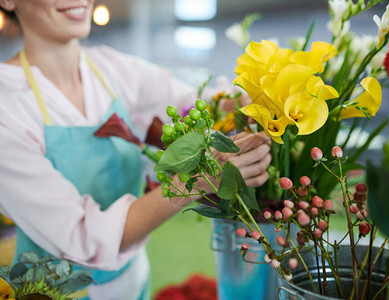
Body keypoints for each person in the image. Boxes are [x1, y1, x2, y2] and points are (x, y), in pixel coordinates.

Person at [0, 1, 271, 299]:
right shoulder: (7, 104)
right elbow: (81, 237)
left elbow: (193, 103)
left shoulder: (111, 69)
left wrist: (250, 102)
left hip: (131, 281)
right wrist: (196, 181)